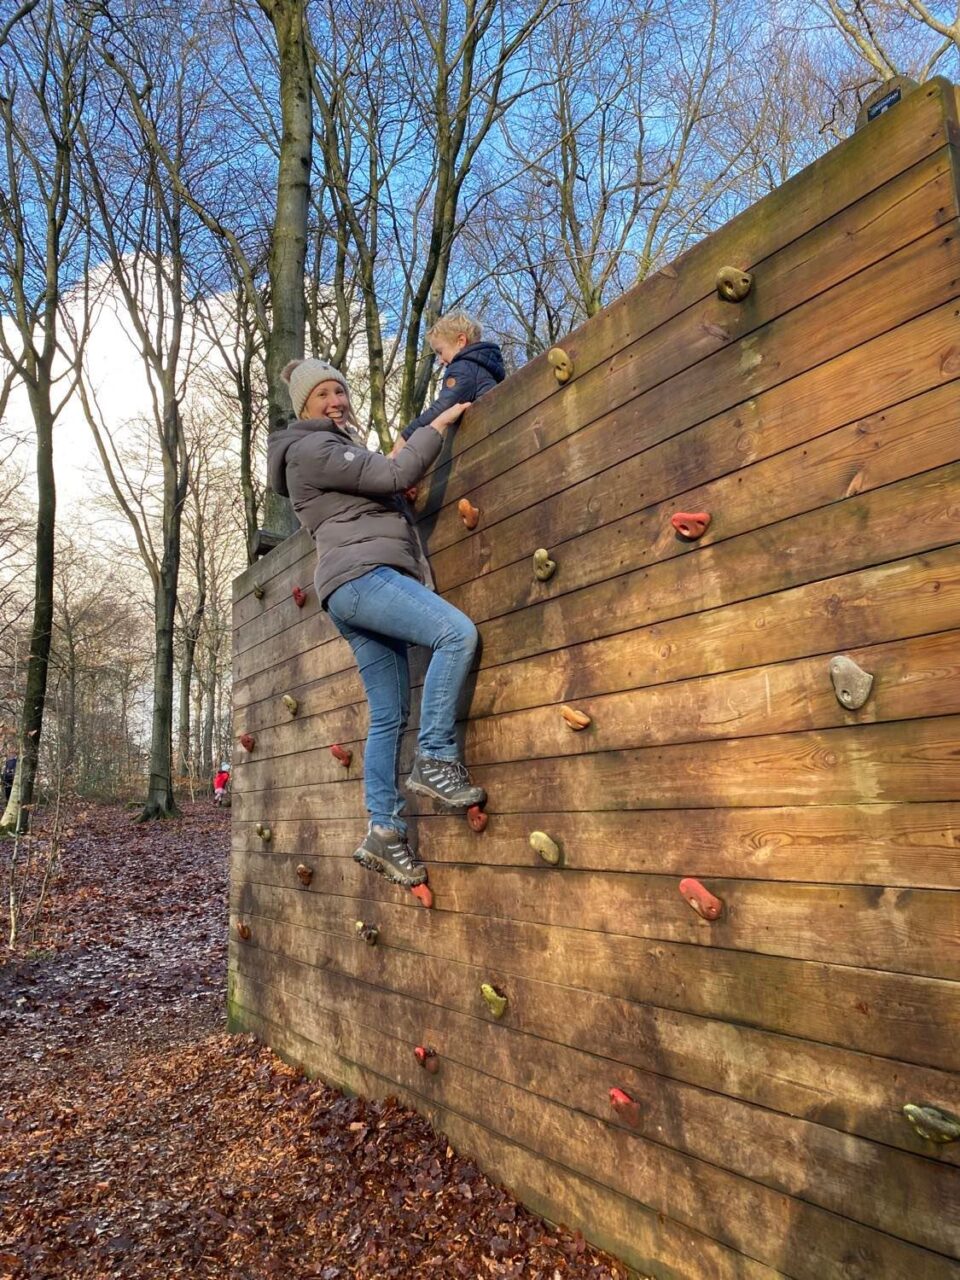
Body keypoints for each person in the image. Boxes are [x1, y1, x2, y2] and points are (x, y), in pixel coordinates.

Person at [267, 359, 487, 891]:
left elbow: (378, 487)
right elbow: (392, 474)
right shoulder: (310, 448)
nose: (336, 401)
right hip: (363, 578)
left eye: (340, 391)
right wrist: (436, 428)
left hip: (348, 589)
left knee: (388, 714)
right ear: (304, 407)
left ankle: (385, 829)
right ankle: (435, 756)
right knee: (456, 634)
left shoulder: (328, 451)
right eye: (323, 394)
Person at [392, 311, 505, 452]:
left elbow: (444, 405)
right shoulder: (483, 368)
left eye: (440, 351)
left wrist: (406, 437)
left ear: (460, 341)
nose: (439, 361)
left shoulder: (464, 367)